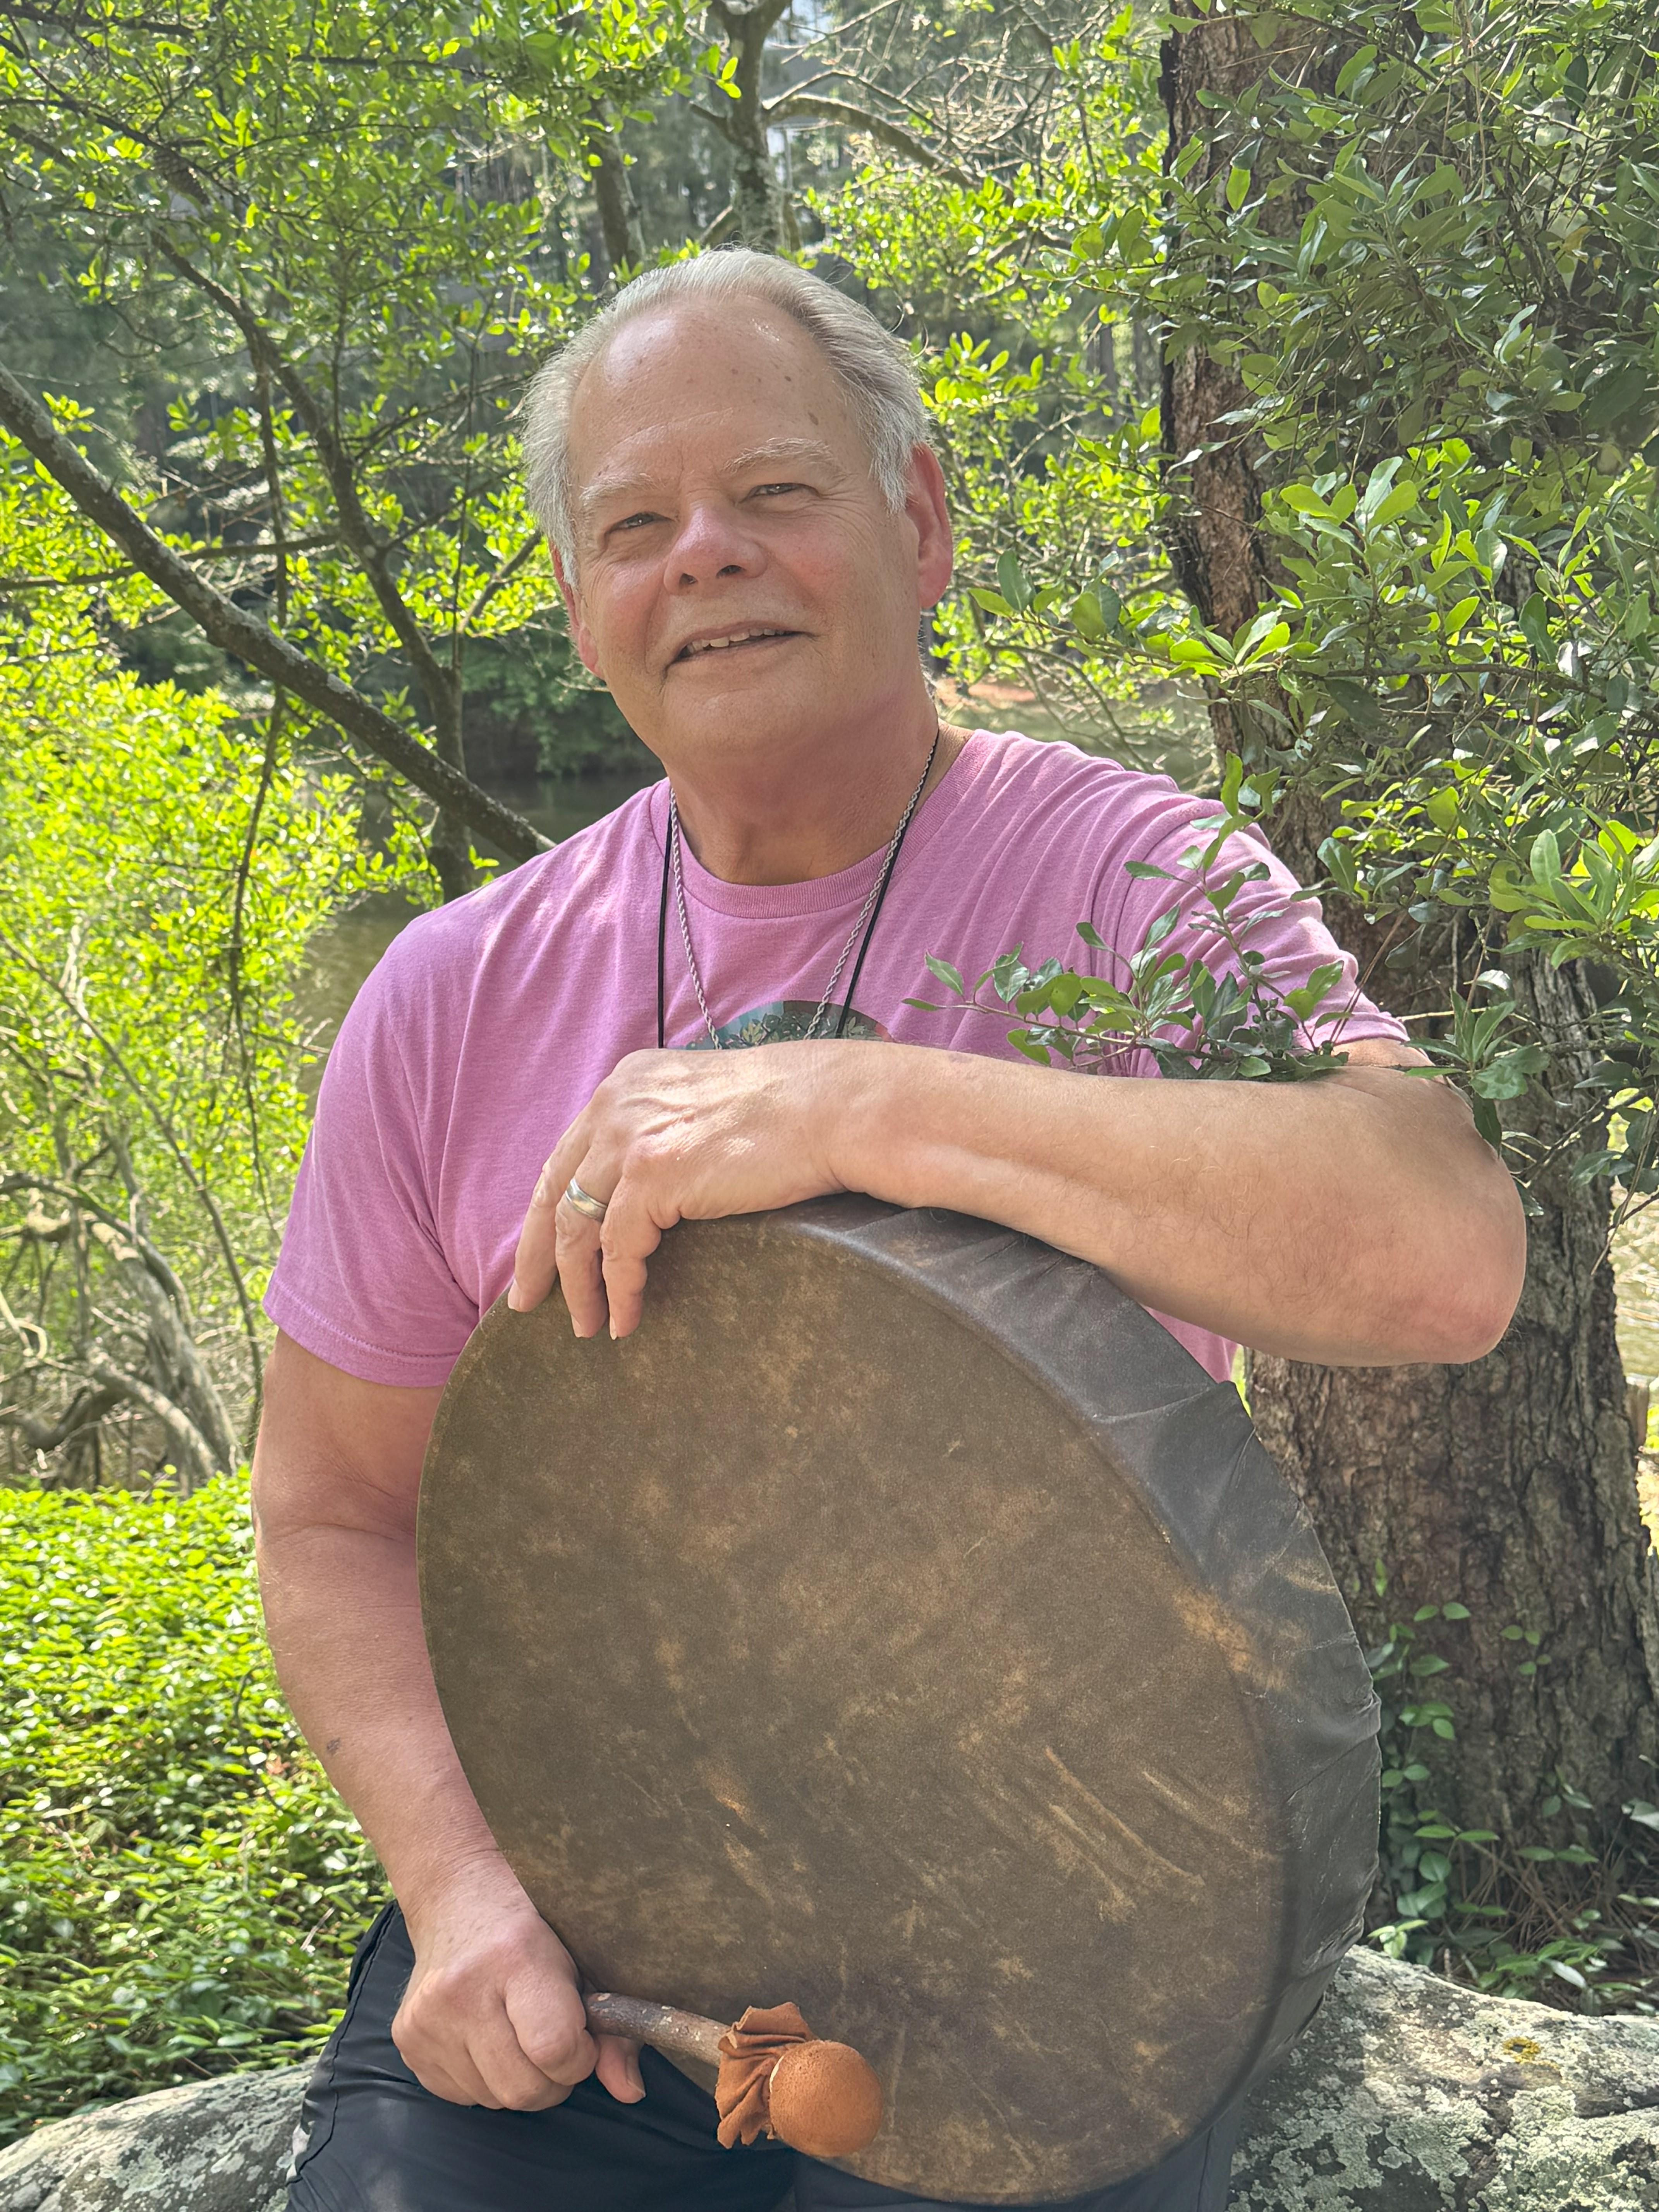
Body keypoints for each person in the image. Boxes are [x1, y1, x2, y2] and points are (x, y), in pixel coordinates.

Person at [255, 249, 1525, 2212]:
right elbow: (336, 1512)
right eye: (634, 526)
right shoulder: (450, 995)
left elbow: (1446, 1258)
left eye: (775, 496)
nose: (706, 560)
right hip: (602, 1924)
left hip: (1075, 1940)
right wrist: (462, 1885)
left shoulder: (1131, 877)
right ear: (586, 602)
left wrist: (863, 1103)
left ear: (918, 521)